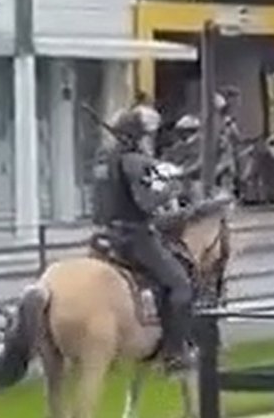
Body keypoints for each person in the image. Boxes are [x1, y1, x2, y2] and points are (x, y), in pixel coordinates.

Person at [97, 109, 193, 373]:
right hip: (135, 236)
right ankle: (175, 351)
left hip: (107, 235)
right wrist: (168, 190)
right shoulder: (134, 162)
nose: (149, 140)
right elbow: (146, 202)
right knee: (181, 284)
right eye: (147, 135)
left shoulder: (105, 160)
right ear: (138, 137)